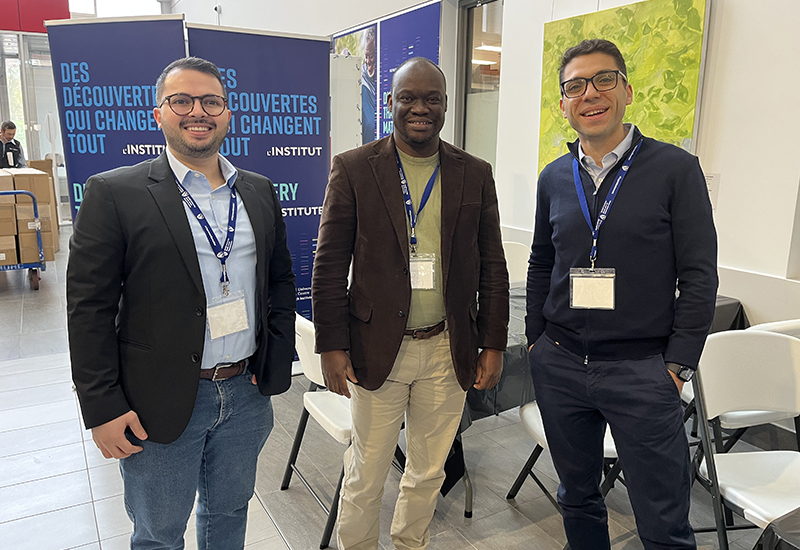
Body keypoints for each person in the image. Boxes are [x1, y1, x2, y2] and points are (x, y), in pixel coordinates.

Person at [66, 56, 296, 550]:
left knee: (229, 514)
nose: (198, 112)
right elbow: (88, 309)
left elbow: (279, 282)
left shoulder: (258, 190)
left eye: (211, 101)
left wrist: (274, 364)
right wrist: (102, 406)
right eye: (182, 101)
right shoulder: (115, 192)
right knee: (159, 534)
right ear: (159, 113)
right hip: (158, 400)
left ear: (227, 113)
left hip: (244, 394)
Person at [525, 38, 718, 549]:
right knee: (576, 498)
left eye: (603, 80)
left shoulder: (675, 169)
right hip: (561, 363)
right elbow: (542, 261)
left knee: (663, 521)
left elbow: (699, 275)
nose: (590, 94)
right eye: (575, 86)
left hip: (643, 371)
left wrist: (677, 366)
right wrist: (537, 342)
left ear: (627, 91)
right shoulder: (554, 177)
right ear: (563, 104)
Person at [312, 56, 509, 550]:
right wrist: (331, 346)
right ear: (390, 103)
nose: (420, 108)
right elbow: (329, 265)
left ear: (445, 105)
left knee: (427, 472)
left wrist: (493, 344)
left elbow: (493, 266)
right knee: (366, 473)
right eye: (408, 98)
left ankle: (410, 543)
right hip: (377, 347)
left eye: (431, 99)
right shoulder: (354, 168)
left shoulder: (475, 172)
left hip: (447, 348)